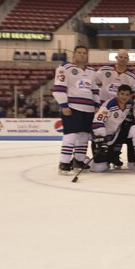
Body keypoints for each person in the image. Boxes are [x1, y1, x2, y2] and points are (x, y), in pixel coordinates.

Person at [52, 45, 99, 173]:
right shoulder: (65, 68)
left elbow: (95, 91)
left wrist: (96, 106)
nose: (82, 55)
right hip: (73, 108)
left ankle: (79, 160)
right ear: (74, 54)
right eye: (79, 52)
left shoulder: (91, 72)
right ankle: (64, 162)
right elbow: (58, 89)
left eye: (84, 53)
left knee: (84, 136)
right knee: (71, 135)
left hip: (88, 109)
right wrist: (64, 105)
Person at [90, 84, 135, 172]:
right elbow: (97, 121)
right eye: (122, 94)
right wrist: (101, 139)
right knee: (100, 169)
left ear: (130, 96)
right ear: (117, 94)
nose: (124, 97)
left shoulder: (130, 104)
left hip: (117, 135)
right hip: (104, 138)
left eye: (127, 95)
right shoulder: (109, 104)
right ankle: (85, 160)